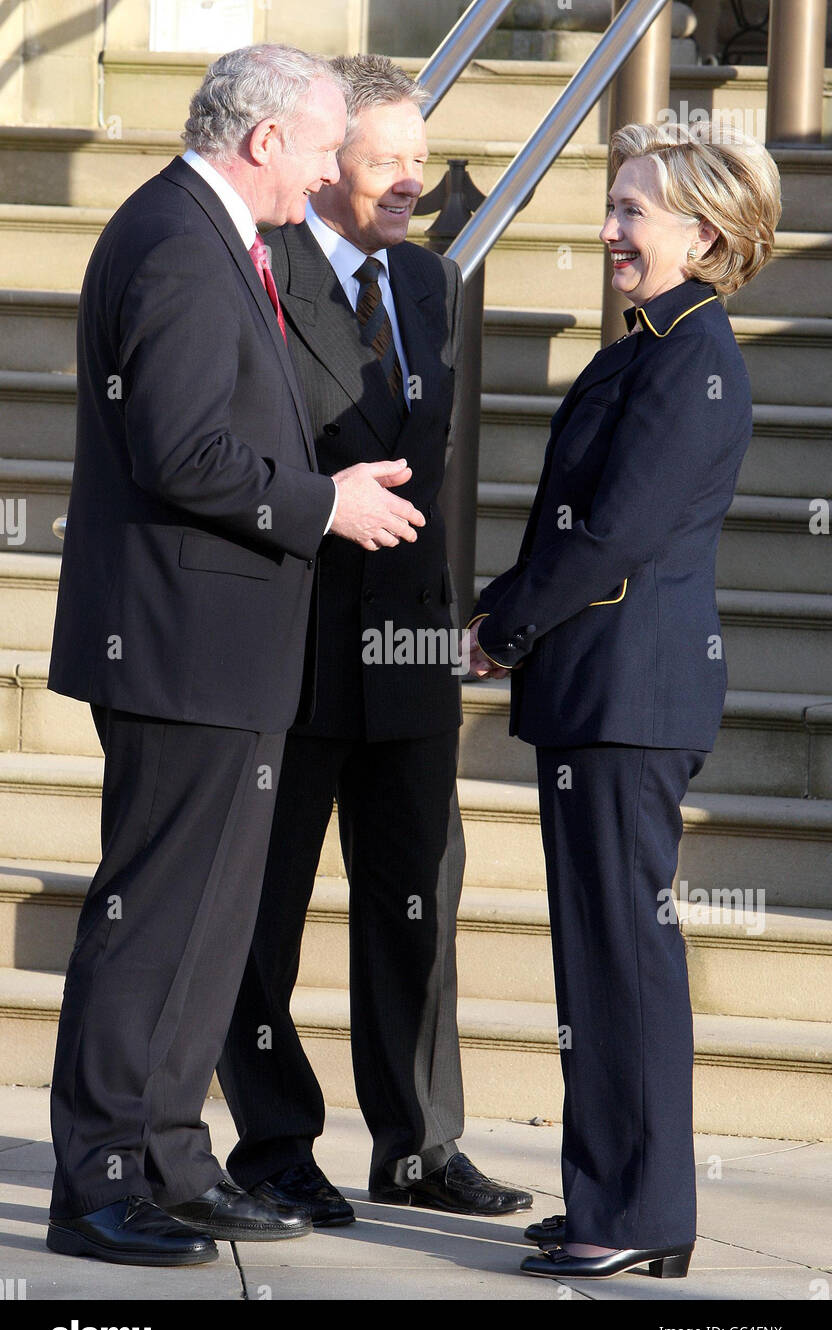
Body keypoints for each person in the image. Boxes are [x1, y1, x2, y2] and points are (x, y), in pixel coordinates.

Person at [45, 43, 426, 1268]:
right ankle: (102, 1176)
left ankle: (172, 1159)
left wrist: (327, 484)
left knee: (207, 924)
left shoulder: (210, 235)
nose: (330, 174)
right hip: (179, 646)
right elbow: (183, 453)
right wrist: (325, 506)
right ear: (263, 139)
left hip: (221, 649)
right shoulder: (173, 240)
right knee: (153, 913)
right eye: (324, 147)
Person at [464, 120, 781, 1280]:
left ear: (701, 232)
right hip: (599, 691)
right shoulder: (650, 344)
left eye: (631, 211)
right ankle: (618, 1195)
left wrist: (507, 625)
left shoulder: (691, 354)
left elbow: (616, 533)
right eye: (612, 206)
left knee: (621, 955)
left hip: (627, 694)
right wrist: (499, 607)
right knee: (598, 955)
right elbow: (574, 523)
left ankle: (638, 1208)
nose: (608, 230)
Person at [218, 55, 531, 1223]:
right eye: (384, 159)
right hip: (288, 651)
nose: (412, 180)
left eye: (418, 155)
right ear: (327, 159)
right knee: (264, 916)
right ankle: (275, 1144)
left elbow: (431, 477)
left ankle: (417, 1142)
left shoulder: (432, 282)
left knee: (416, 901)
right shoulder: (261, 269)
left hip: (405, 655)